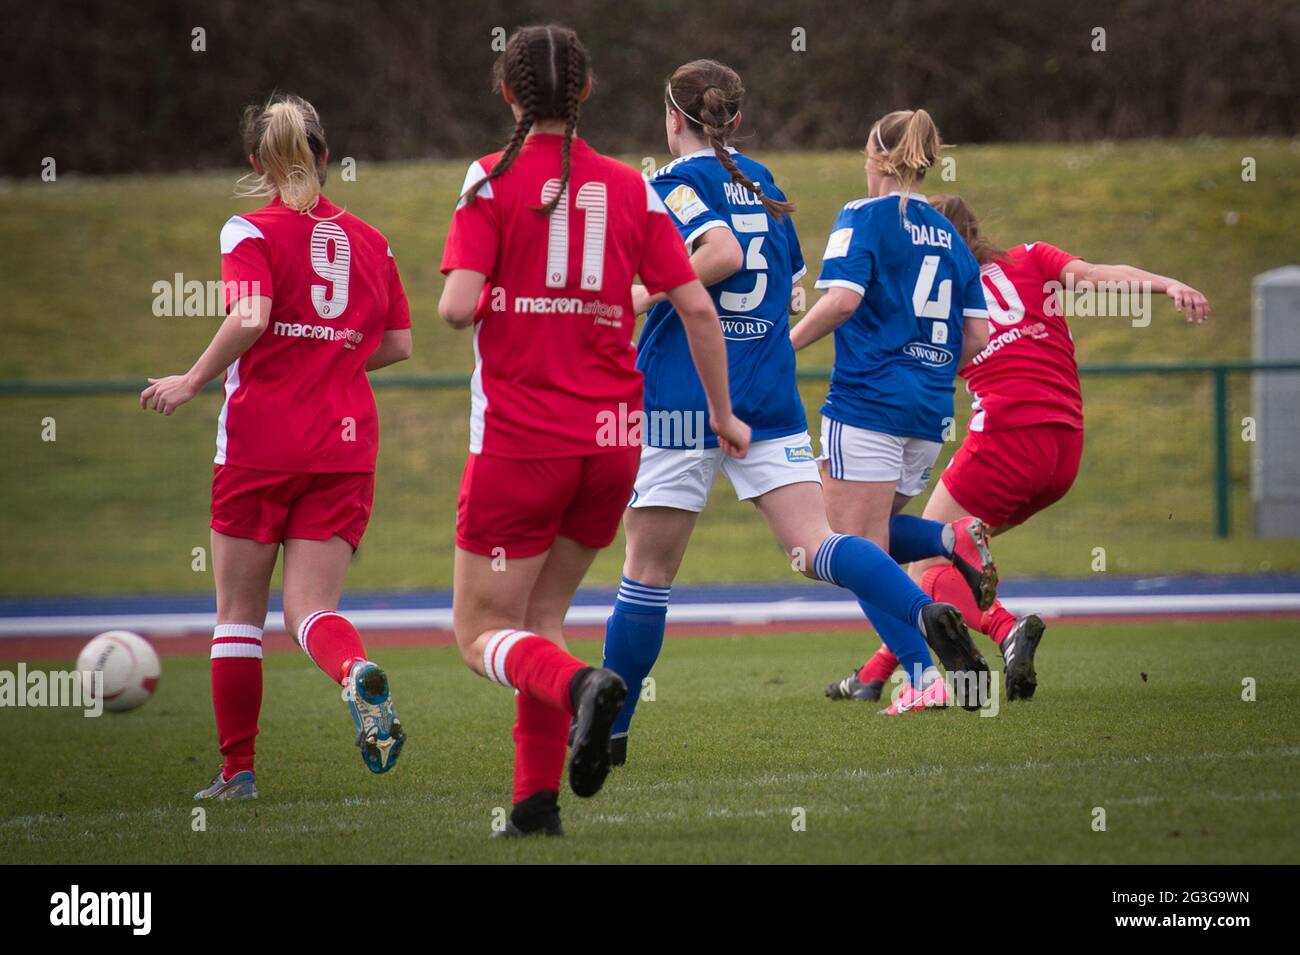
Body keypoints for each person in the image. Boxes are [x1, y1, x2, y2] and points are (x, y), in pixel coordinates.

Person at [601, 66, 988, 750]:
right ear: (738, 123)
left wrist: (637, 298)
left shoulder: (666, 183)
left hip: (683, 391)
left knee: (649, 573)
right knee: (820, 547)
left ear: (672, 119)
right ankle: (924, 613)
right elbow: (793, 296)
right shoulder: (766, 186)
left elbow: (715, 253)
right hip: (771, 392)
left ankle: (614, 731)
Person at [437, 26, 751, 838]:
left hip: (520, 441)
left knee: (480, 634)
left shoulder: (489, 179)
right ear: (588, 92)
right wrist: (721, 415)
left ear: (508, 95)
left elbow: (456, 305)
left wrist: (512, 292)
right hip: (614, 441)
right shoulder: (633, 186)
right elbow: (696, 307)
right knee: (539, 622)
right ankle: (536, 807)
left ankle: (583, 687)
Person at [140, 94, 413, 799]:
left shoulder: (248, 230)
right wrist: (335, 356)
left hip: (261, 442)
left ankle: (238, 772)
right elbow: (400, 344)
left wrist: (194, 377)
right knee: (310, 611)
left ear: (256, 164)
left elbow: (253, 312)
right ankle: (355, 673)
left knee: (238, 615)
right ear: (325, 156)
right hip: (345, 445)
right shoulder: (373, 241)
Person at [835, 193, 1211, 702]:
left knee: (930, 562)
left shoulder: (939, 292)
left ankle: (1006, 629)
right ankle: (875, 672)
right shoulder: (1031, 257)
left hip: (1005, 439)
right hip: (1063, 450)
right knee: (951, 559)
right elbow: (1097, 277)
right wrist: (1168, 285)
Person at [791, 109, 995, 714]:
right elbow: (978, 336)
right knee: (865, 543)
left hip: (868, 400)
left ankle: (921, 674)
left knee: (846, 550)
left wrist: (785, 346)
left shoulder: (864, 215)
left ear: (876, 157)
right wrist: (926, 370)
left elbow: (844, 300)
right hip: (929, 411)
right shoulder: (951, 236)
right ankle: (948, 536)